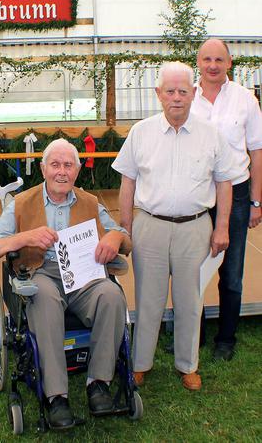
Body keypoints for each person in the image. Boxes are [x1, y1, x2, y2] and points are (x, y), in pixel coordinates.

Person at [0, 138, 131, 430]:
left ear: (77, 170)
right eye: (55, 165)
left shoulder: (89, 202)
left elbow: (123, 237)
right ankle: (56, 397)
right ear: (43, 168)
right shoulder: (22, 203)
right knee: (44, 298)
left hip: (82, 274)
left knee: (111, 295)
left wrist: (113, 238)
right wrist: (24, 238)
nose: (62, 172)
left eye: (68, 165)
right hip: (42, 271)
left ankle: (98, 383)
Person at [112, 62, 237, 391]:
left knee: (190, 301)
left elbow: (225, 183)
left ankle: (187, 365)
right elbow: (127, 182)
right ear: (159, 94)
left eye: (183, 91)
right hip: (149, 227)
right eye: (170, 91)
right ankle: (141, 364)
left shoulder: (211, 135)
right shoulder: (141, 132)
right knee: (147, 299)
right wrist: (125, 229)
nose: (177, 97)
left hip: (195, 228)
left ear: (194, 93)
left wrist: (221, 227)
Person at [191, 39, 262, 361]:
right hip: (197, 196)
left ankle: (226, 338)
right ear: (198, 62)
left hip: (237, 194)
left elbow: (257, 151)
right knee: (192, 270)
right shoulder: (187, 98)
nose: (213, 65)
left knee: (231, 273)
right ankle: (193, 336)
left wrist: (256, 202)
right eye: (207, 59)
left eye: (219, 59)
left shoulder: (245, 99)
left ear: (229, 63)